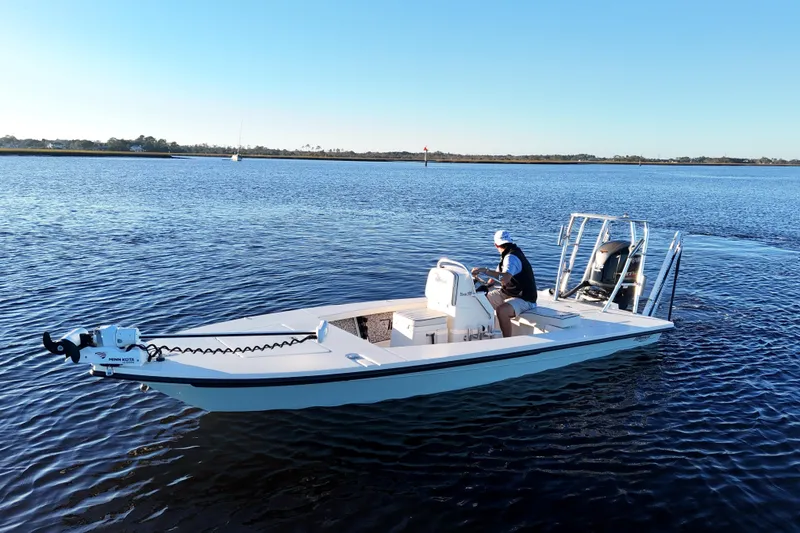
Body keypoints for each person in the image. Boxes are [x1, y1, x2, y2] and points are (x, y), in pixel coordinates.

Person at [471, 230, 538, 338]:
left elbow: (505, 278)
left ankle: (507, 342)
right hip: (508, 293)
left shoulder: (511, 258)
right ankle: (481, 334)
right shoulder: (507, 255)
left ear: (496, 245)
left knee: (502, 311)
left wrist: (485, 271)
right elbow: (497, 276)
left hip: (525, 299)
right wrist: (487, 285)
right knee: (480, 302)